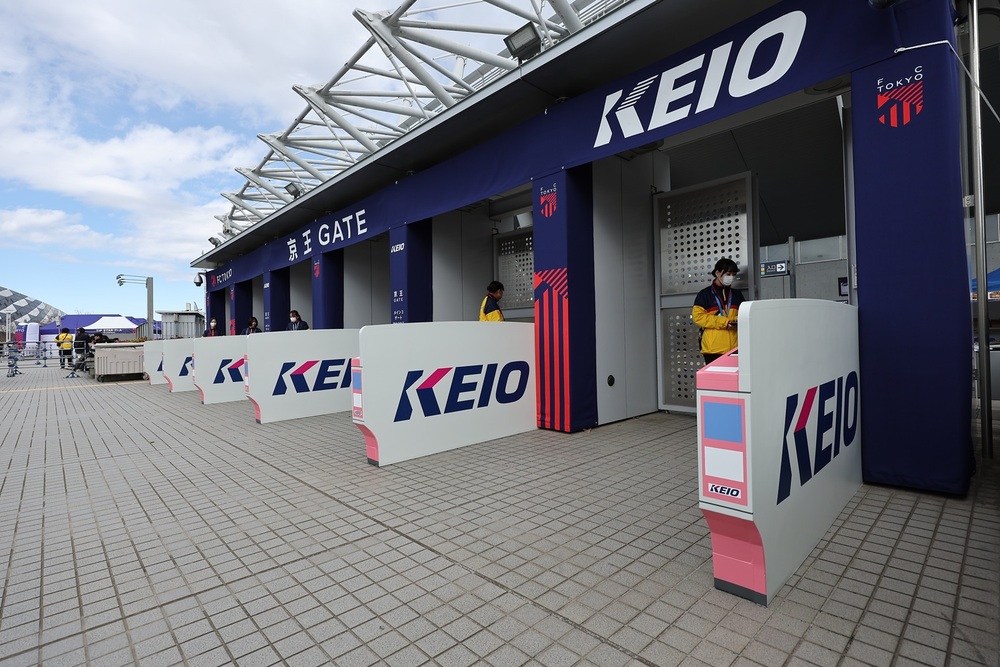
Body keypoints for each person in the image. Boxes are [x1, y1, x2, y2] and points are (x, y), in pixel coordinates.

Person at [691, 258, 745, 365]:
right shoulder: (704, 294)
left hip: (735, 348)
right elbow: (698, 317)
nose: (731, 277)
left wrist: (735, 321)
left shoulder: (737, 294)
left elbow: (744, 314)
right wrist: (724, 322)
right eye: (728, 274)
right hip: (713, 349)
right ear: (717, 273)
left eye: (733, 274)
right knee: (716, 376)